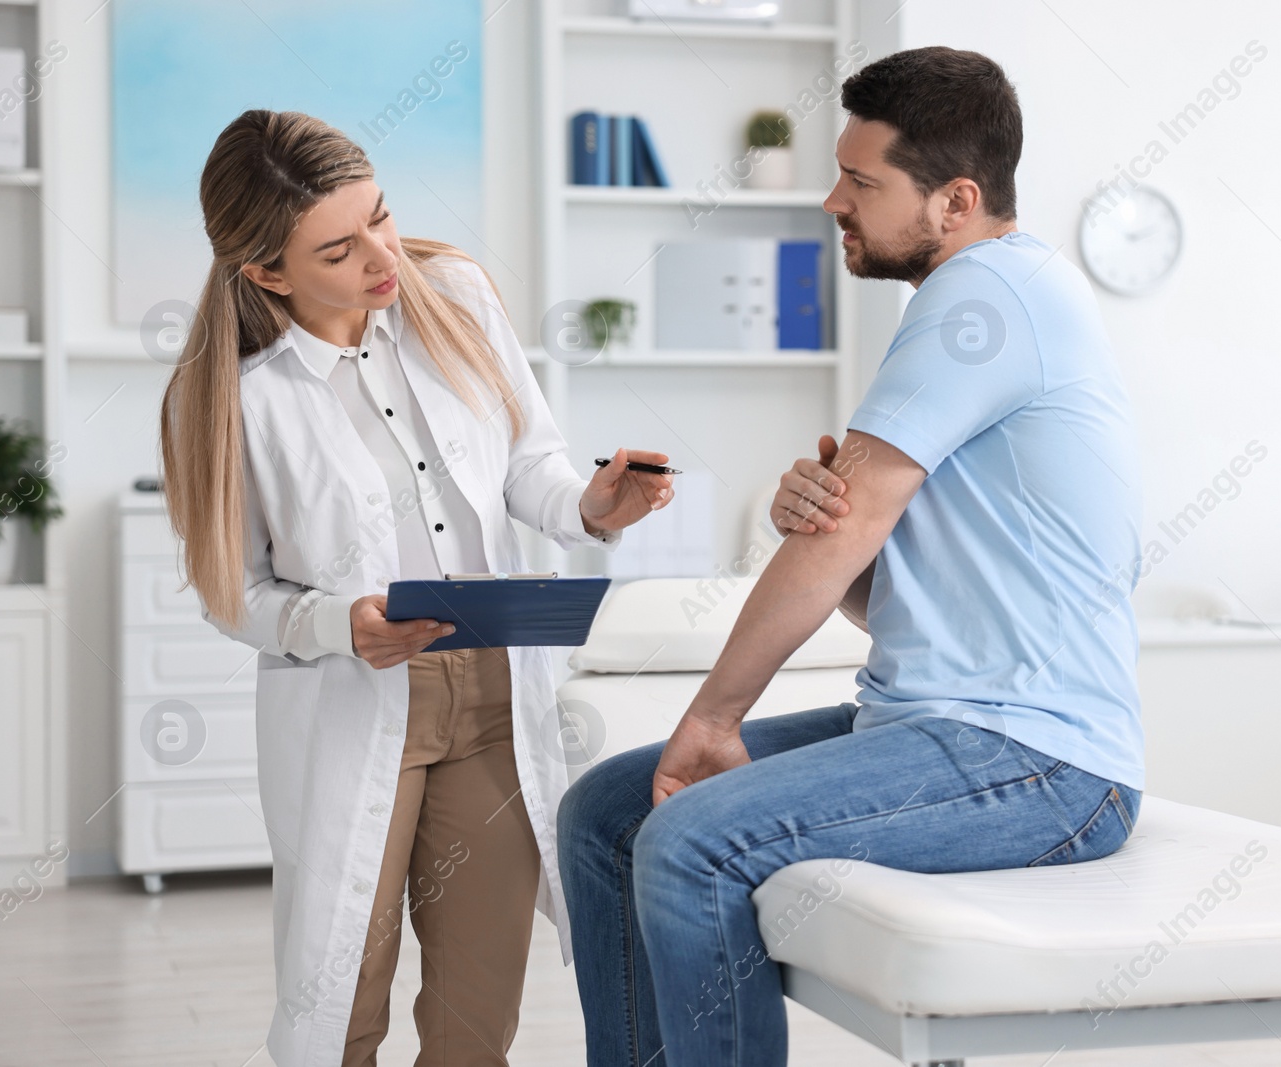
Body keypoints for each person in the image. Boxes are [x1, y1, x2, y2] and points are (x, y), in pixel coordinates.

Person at [557, 46, 1145, 1067]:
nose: (832, 199)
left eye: (861, 182)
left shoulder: (982, 300)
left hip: (1042, 760)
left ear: (955, 200)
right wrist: (822, 527)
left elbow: (848, 523)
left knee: (691, 839)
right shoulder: (986, 299)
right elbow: (876, 590)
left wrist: (713, 717)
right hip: (943, 725)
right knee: (606, 807)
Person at [159, 109, 675, 1067]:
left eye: (382, 218)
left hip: (491, 697)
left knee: (478, 1013)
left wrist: (595, 506)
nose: (380, 258)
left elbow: (533, 468)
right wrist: (336, 624)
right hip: (356, 707)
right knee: (339, 1005)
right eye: (338, 249)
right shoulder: (240, 395)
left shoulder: (458, 298)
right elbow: (234, 593)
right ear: (267, 272)